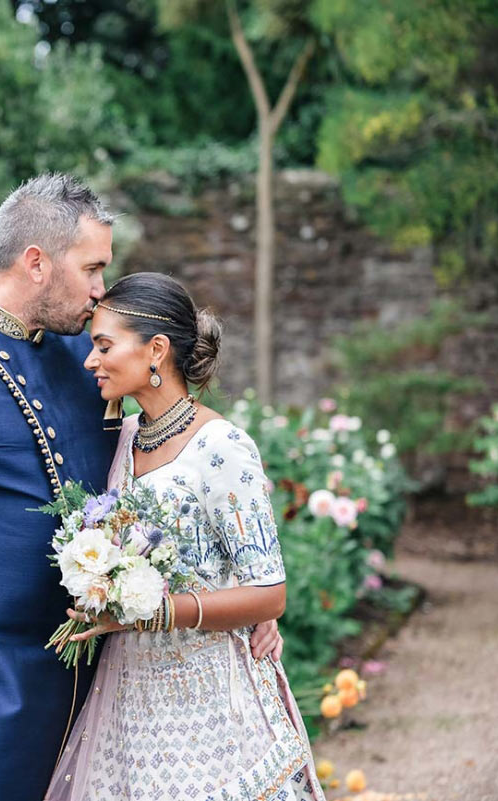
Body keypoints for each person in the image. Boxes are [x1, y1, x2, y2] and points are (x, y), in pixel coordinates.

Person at [0, 174, 282, 801]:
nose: (101, 291)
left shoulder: (90, 360)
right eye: (92, 268)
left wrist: (240, 599)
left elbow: (158, 485)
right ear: (36, 262)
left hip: (109, 696)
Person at [45, 272, 325, 801]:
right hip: (129, 707)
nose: (91, 360)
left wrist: (159, 611)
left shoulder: (221, 447)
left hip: (213, 707)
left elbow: (270, 593)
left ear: (156, 350)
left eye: (104, 346)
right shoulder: (123, 439)